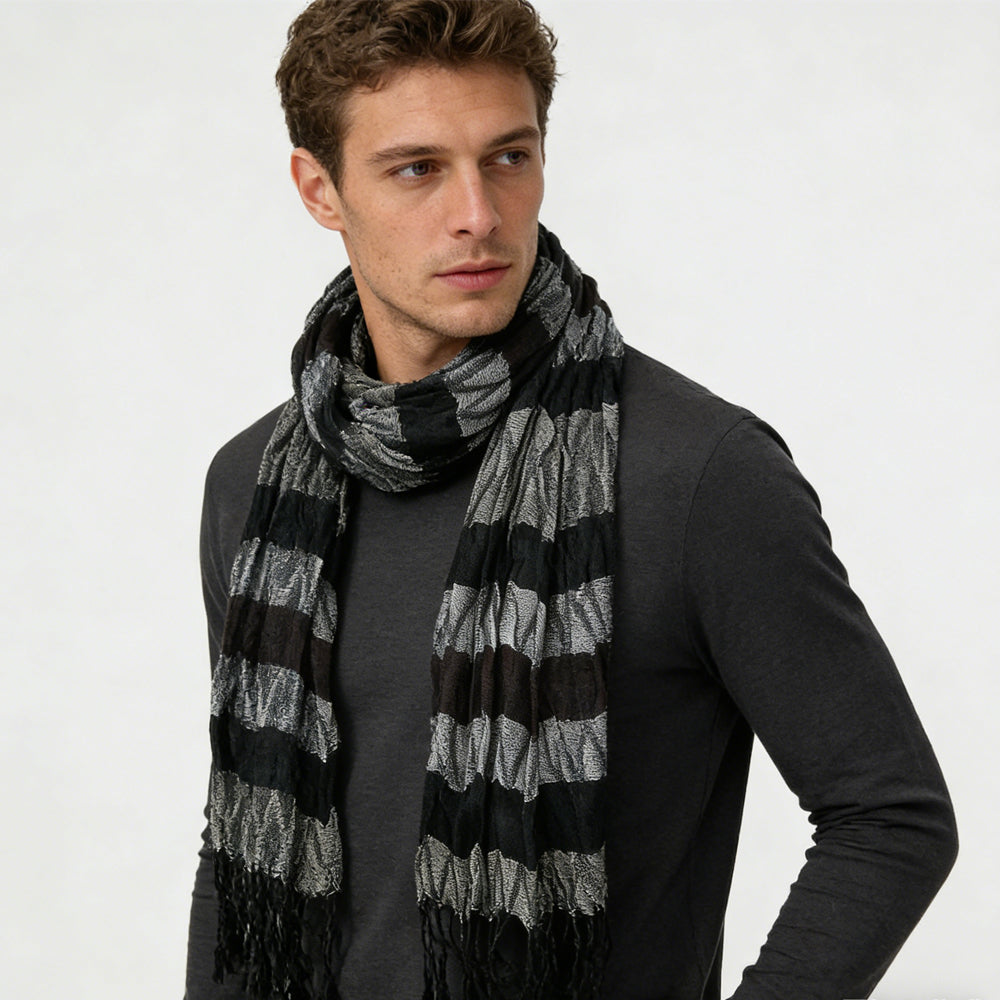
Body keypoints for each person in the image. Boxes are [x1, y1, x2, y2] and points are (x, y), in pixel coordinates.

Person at [184, 2, 958, 998]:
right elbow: (243, 838)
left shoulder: (696, 473)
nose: (478, 213)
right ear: (319, 189)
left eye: (508, 157)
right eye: (417, 169)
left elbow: (890, 816)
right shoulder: (253, 485)